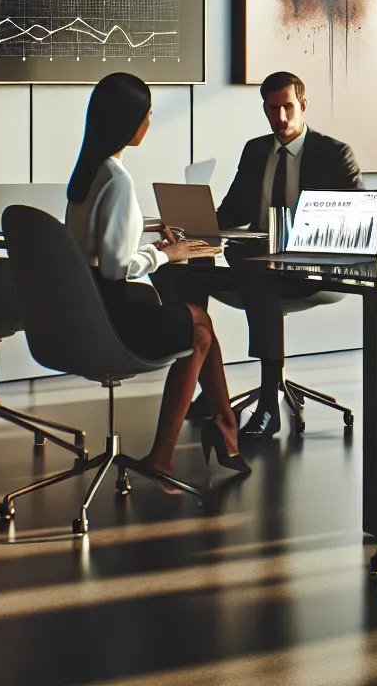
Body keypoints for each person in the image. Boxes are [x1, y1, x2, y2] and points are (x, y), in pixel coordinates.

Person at [64, 73, 248, 484]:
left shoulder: (87, 175)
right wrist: (166, 253)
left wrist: (143, 233)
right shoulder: (116, 180)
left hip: (87, 308)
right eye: (147, 112)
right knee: (199, 324)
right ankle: (192, 442)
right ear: (132, 121)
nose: (150, 118)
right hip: (115, 318)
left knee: (198, 321)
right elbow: (116, 267)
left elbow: (91, 248)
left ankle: (221, 425)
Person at [178, 71, 364, 439]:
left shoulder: (334, 153)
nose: (280, 118)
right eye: (272, 108)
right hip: (256, 264)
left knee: (260, 281)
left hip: (313, 269)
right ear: (264, 108)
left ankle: (268, 404)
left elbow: (356, 220)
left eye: (288, 108)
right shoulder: (255, 150)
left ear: (303, 106)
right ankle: (208, 389)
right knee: (189, 271)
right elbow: (233, 213)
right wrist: (190, 226)